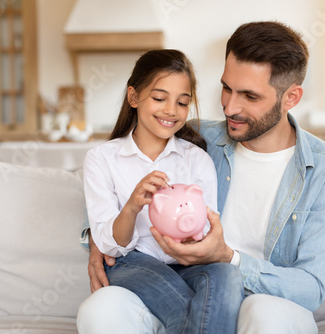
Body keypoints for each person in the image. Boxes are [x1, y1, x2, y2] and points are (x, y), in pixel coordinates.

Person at [78, 21, 325, 334]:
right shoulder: (196, 137)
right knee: (99, 310)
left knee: (266, 316)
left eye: (250, 96)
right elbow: (117, 170)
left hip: (262, 299)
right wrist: (99, 241)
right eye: (226, 88)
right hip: (182, 287)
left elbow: (311, 288)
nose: (230, 107)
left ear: (291, 97)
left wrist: (229, 258)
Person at [82, 49, 244, 334]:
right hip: (130, 262)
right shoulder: (102, 159)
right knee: (186, 308)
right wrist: (132, 205)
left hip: (188, 263)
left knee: (228, 277)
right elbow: (109, 245)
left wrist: (193, 230)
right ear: (134, 97)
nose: (171, 110)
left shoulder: (197, 159)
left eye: (183, 102)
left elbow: (205, 229)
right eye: (159, 98)